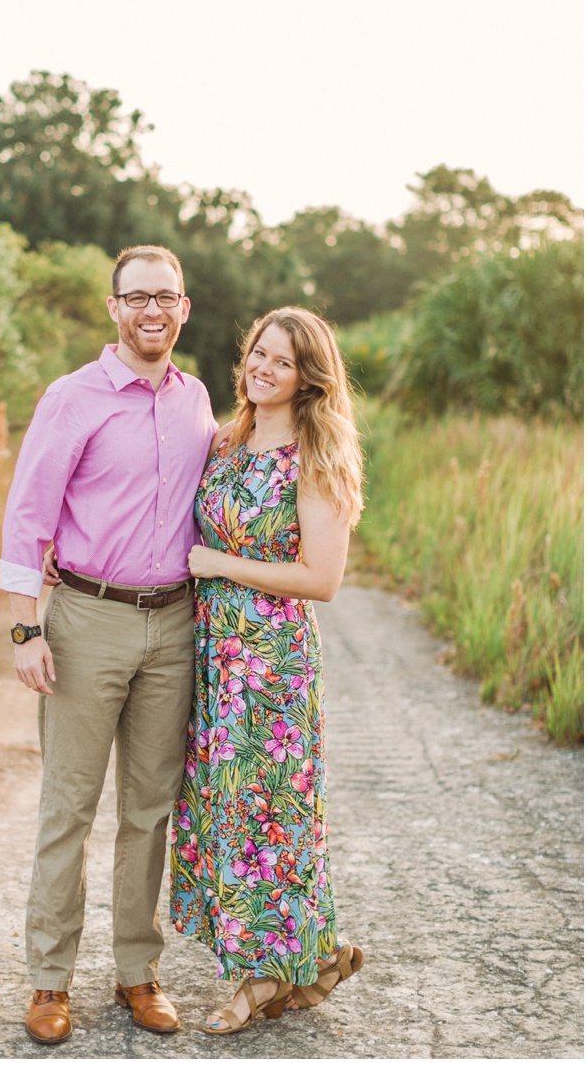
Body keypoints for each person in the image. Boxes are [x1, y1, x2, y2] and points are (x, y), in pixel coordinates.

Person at [0, 244, 217, 1045]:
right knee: (69, 806)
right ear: (113, 307)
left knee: (150, 810)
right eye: (137, 297)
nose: (152, 310)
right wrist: (27, 627)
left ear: (184, 307)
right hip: (87, 620)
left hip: (176, 625)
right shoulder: (72, 397)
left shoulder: (197, 402)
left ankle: (137, 971)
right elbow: (28, 516)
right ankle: (50, 981)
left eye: (166, 296)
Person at [169, 306, 365, 1034]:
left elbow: (322, 577)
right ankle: (307, 956)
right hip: (214, 657)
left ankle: (257, 982)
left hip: (271, 666)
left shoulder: (318, 451)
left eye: (282, 361)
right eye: (258, 352)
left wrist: (219, 564)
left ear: (308, 376)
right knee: (225, 810)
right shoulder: (229, 439)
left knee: (268, 814)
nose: (263, 368)